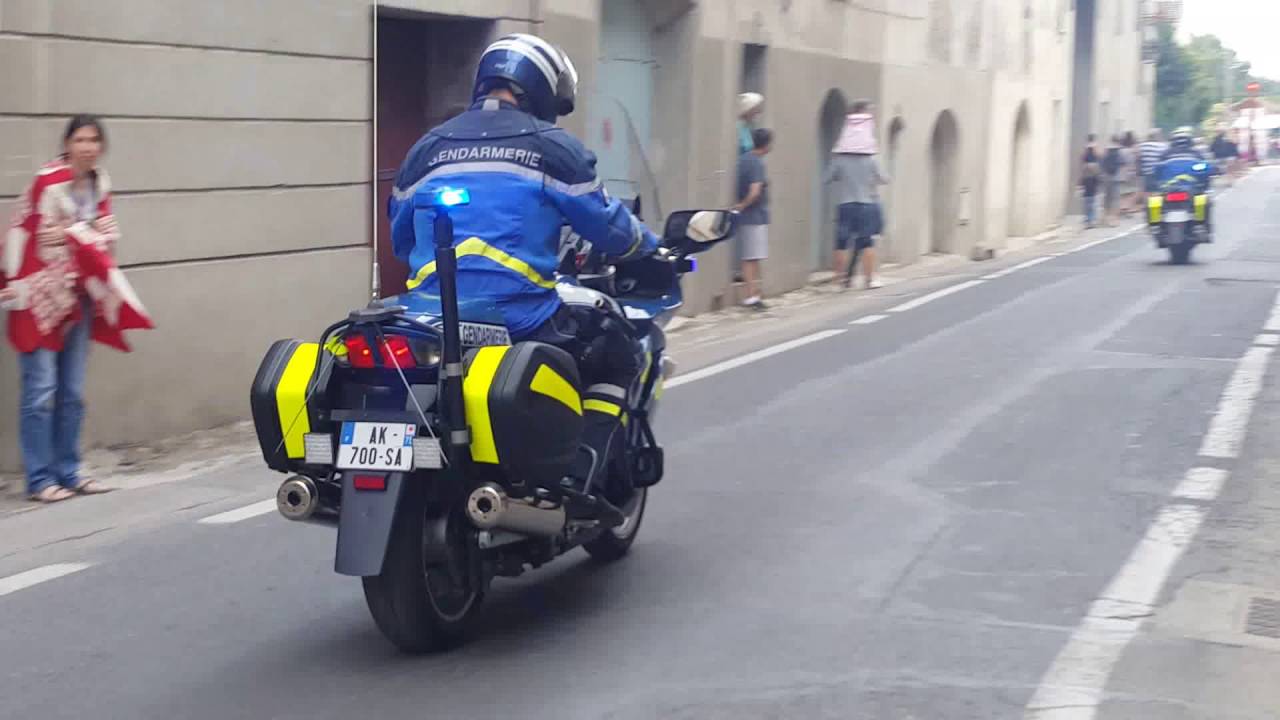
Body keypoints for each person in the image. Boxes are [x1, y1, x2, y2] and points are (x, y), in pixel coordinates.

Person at [387, 34, 658, 495]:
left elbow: (400, 241)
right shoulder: (552, 147)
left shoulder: (427, 147)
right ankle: (579, 472)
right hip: (521, 317)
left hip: (427, 317)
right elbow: (610, 227)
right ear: (543, 88)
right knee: (620, 354)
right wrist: (649, 246)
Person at [1, 115, 153, 503]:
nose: (86, 146)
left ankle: (68, 471)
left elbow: (101, 238)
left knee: (71, 392)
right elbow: (24, 233)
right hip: (40, 300)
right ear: (67, 143)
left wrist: (83, 236)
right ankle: (39, 479)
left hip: (80, 299)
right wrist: (73, 236)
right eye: (79, 139)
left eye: (93, 139)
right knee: (40, 391)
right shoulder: (47, 181)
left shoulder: (100, 183)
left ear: (101, 146)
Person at [826, 100, 888, 289]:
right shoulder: (871, 158)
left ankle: (839, 279)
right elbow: (884, 178)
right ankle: (870, 279)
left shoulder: (840, 158)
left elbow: (827, 177)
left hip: (846, 204)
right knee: (867, 242)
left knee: (841, 243)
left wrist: (837, 161)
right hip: (867, 204)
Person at [733, 128, 773, 310]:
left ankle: (754, 293)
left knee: (753, 256)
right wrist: (742, 205)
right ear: (766, 144)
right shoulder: (755, 163)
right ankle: (751, 297)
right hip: (753, 216)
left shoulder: (744, 160)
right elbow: (755, 190)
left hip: (751, 216)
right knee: (751, 257)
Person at [1080, 134, 1102, 228]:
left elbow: (1082, 162)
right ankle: (1091, 219)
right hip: (1093, 177)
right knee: (1092, 199)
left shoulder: (1085, 151)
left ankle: (1088, 219)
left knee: (1087, 198)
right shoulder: (1096, 150)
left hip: (1086, 177)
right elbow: (1099, 160)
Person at [1138, 128, 1167, 200]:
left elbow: (1138, 158)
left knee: (1147, 192)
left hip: (1146, 173)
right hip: (1158, 174)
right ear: (1158, 136)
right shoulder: (1163, 146)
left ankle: (1147, 207)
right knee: (1157, 192)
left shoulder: (1142, 146)